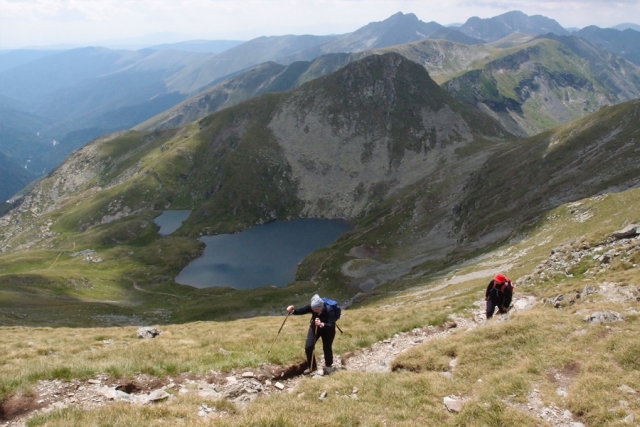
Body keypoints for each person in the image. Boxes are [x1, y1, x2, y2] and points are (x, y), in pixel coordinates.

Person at [287, 294, 337, 374]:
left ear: (322, 307)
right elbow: (302, 310)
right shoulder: (313, 306)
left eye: (316, 309)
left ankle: (328, 366)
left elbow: (331, 325)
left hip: (328, 331)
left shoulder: (330, 310)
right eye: (313, 309)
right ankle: (312, 367)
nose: (314, 311)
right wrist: (292, 311)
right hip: (314, 328)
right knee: (308, 347)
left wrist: (321, 324)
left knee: (327, 347)